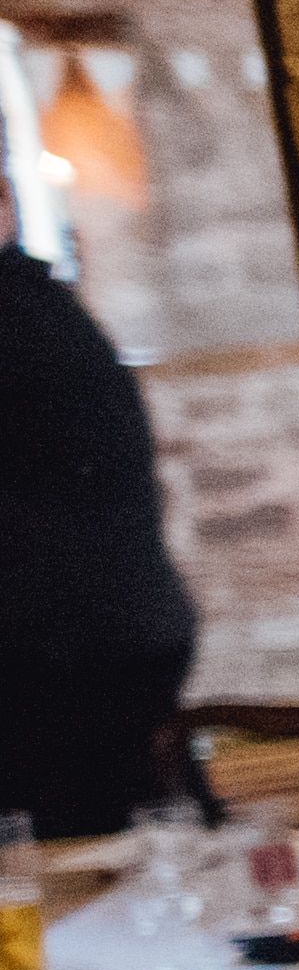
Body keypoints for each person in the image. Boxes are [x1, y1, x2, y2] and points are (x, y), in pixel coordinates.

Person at [0, 238, 200, 836]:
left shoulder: (19, 315)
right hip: (107, 630)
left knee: (76, 859)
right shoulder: (36, 302)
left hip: (65, 646)